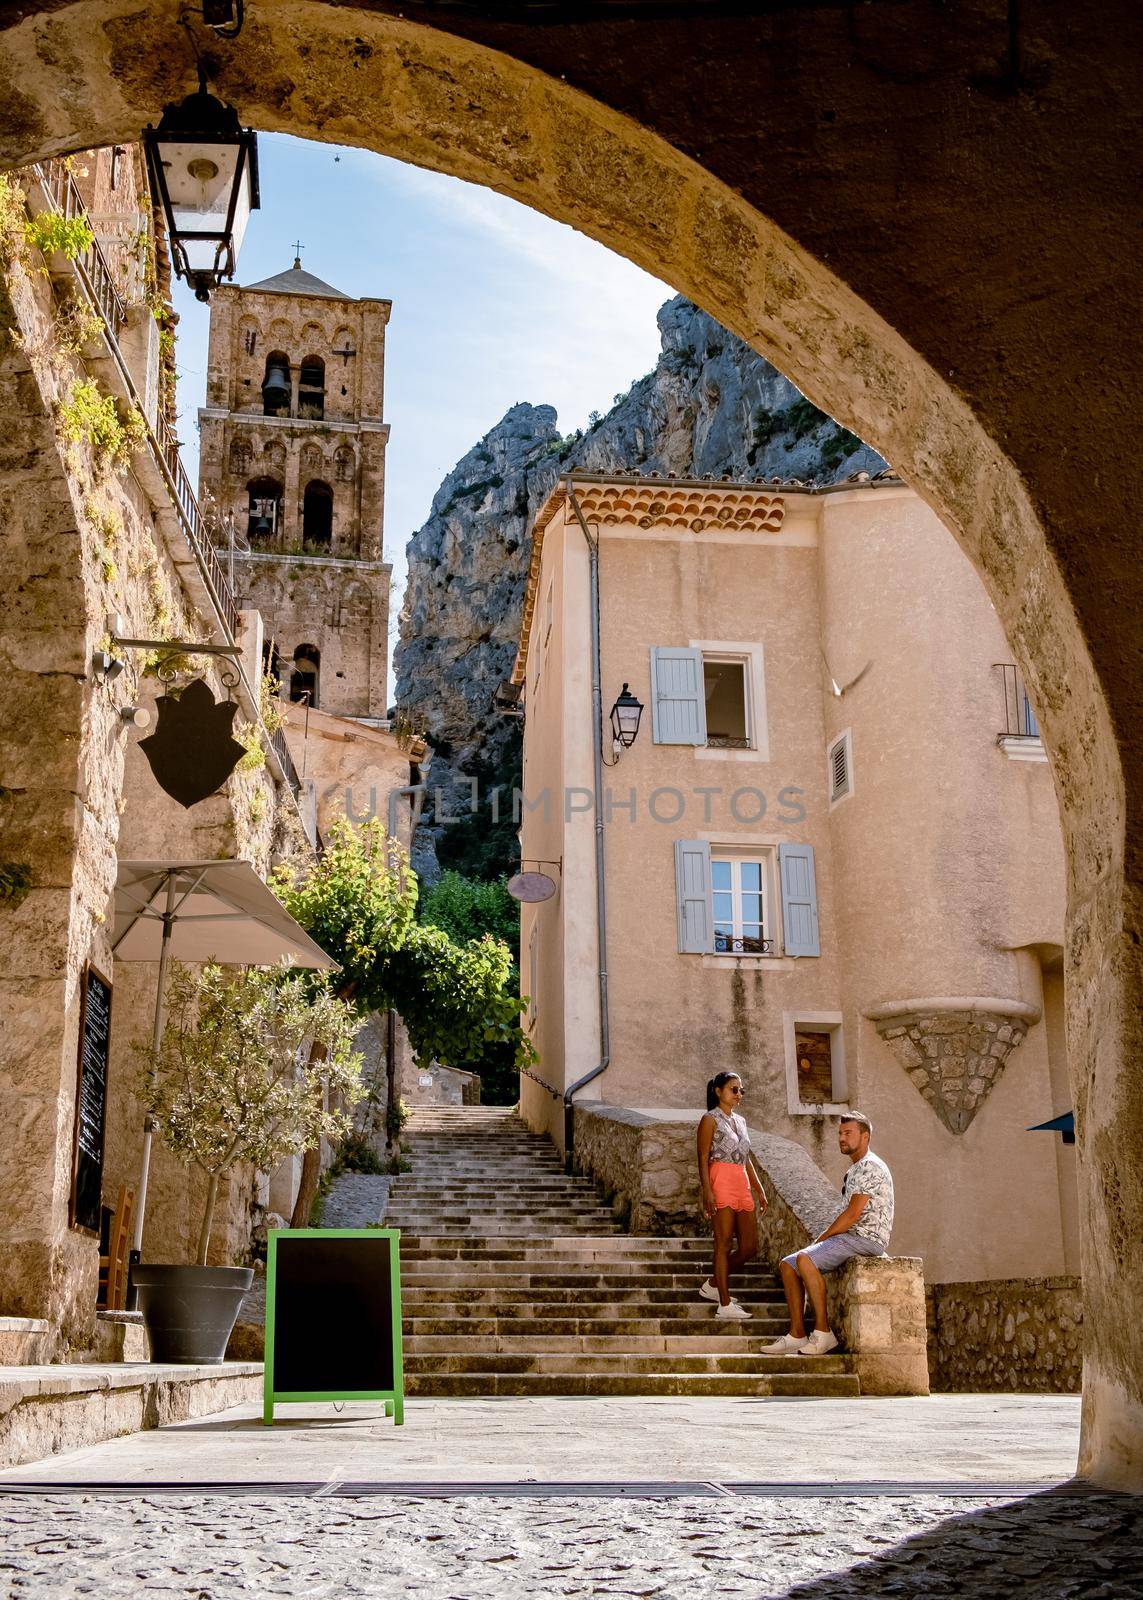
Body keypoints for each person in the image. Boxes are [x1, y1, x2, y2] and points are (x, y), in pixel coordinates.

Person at [761, 1111, 893, 1357]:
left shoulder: (869, 1166)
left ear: (865, 1137)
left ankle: (823, 1334)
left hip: (865, 1238)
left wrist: (824, 1237)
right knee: (788, 1265)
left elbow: (853, 1214)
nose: (842, 1138)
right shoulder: (857, 1168)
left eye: (848, 1133)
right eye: (840, 1133)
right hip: (853, 1237)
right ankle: (797, 1335)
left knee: (806, 1259)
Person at [696, 1072, 768, 1319]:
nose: (739, 1094)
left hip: (742, 1181)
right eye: (734, 1089)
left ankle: (714, 1284)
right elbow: (703, 1158)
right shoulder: (709, 1119)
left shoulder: (742, 1121)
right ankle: (724, 1305)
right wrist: (707, 1191)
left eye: (741, 1090)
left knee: (749, 1246)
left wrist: (759, 1188)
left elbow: (745, 1158)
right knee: (724, 1243)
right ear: (718, 1091)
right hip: (720, 1180)